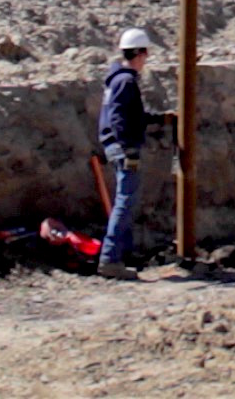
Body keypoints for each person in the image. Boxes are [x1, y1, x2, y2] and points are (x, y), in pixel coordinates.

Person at [97, 26, 175, 279]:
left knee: (126, 201)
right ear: (140, 53)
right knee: (124, 202)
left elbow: (131, 116)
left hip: (117, 146)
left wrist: (159, 119)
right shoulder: (125, 81)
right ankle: (110, 259)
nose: (147, 60)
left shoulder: (118, 79)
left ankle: (121, 254)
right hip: (122, 149)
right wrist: (128, 149)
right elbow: (119, 119)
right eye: (146, 54)